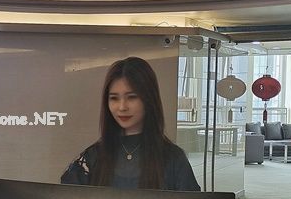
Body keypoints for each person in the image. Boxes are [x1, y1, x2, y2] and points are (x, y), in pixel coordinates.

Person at [61, 56, 200, 191]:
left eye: (132, 97)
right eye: (114, 98)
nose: (122, 107)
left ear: (149, 99)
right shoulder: (90, 158)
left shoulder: (174, 159)